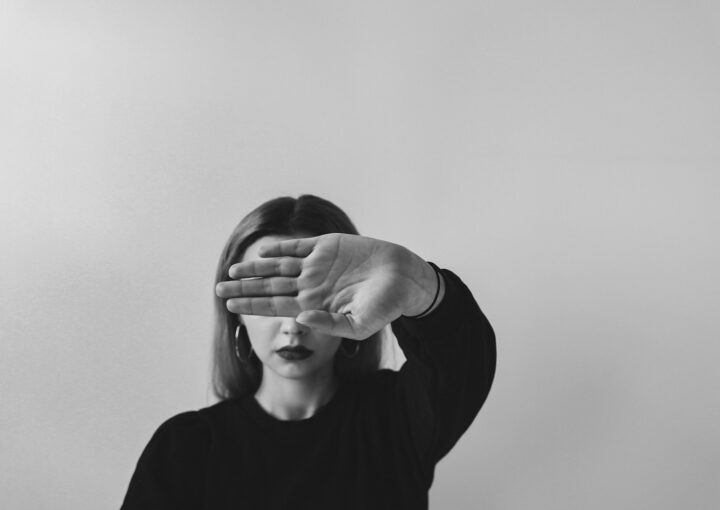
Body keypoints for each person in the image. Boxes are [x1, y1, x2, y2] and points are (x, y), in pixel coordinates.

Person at [120, 194, 496, 510]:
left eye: (312, 295)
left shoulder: (395, 419)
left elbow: (460, 356)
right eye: (272, 295)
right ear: (236, 314)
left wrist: (416, 283)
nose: (293, 324)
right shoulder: (186, 449)